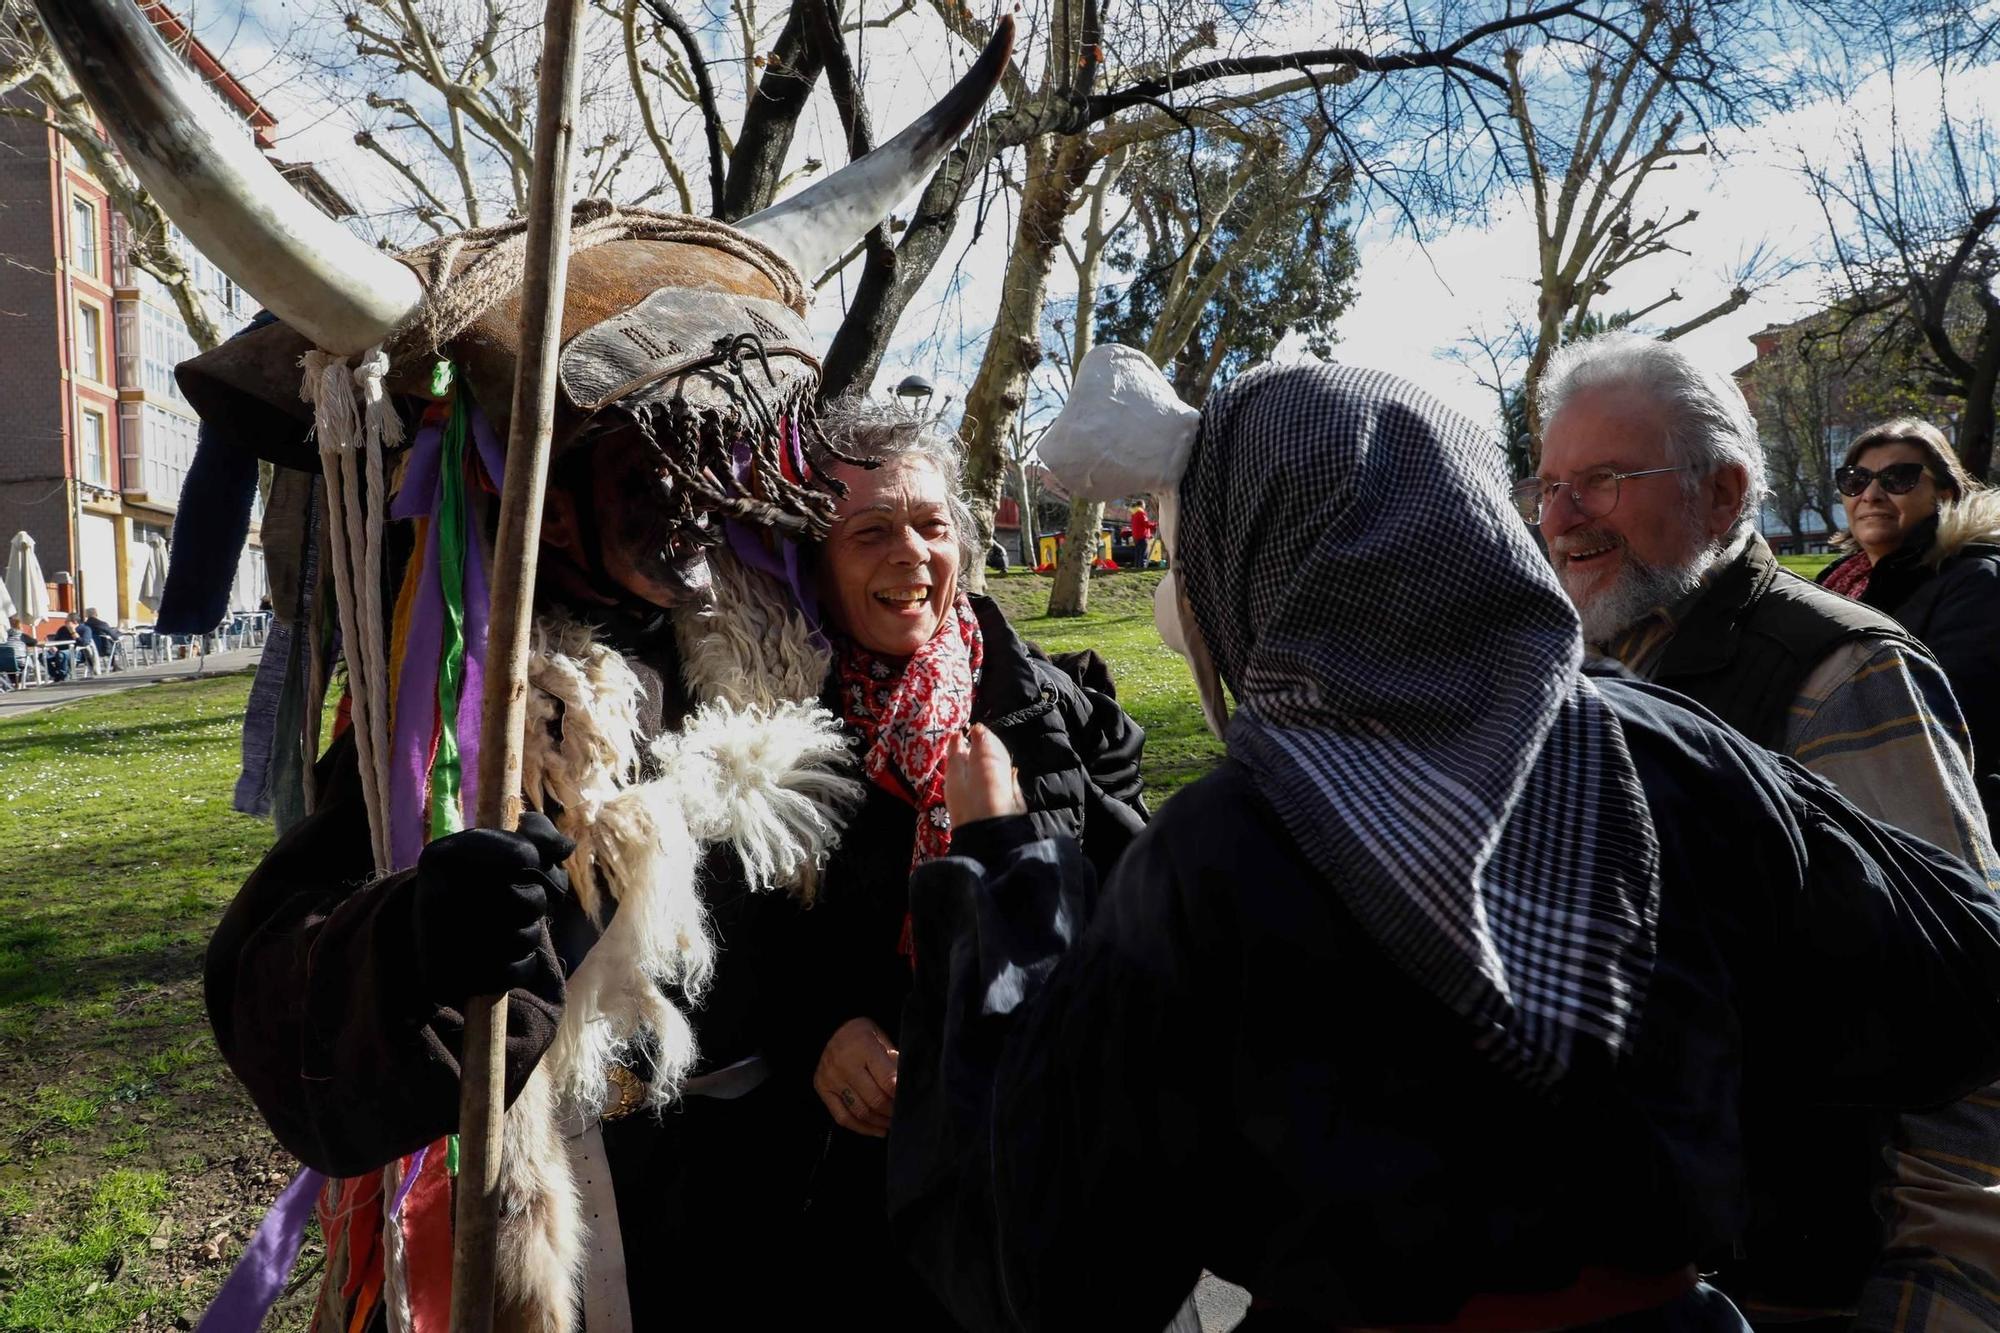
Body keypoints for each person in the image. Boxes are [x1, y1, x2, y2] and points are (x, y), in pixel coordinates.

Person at [885, 361, 2000, 1333]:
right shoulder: (1664, 748)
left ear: (1245, 549)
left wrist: (1001, 876)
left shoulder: (1226, 842)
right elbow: (1956, 983)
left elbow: (1047, 1264)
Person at [1529, 331, 2000, 1328]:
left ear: (1723, 492)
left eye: (1603, 479)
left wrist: (1938, 1298)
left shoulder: (1840, 674)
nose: (1559, 515)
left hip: (1813, 1285)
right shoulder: (1566, 674)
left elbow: (1965, 1029)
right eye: (1548, 482)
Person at [768, 399, 1149, 1329]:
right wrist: (819, 1027)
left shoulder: (1056, 707)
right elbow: (730, 942)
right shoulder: (767, 735)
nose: (910, 553)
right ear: (816, 563)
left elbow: (1141, 938)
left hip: (1044, 1173)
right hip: (855, 1201)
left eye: (932, 525)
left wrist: (1009, 844)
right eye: (870, 532)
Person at [1817, 417, 2000, 830]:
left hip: (1937, 824)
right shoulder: (1836, 581)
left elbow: (1956, 722)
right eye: (1856, 479)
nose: (1872, 494)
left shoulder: (1976, 581)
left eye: (1899, 478)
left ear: (1945, 493)